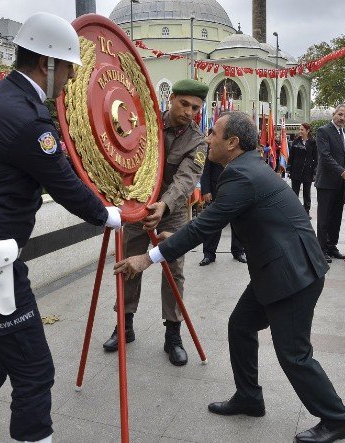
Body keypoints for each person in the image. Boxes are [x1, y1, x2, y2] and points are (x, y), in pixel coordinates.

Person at [0, 13, 122, 443]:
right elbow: (66, 184)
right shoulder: (27, 119)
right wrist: (110, 215)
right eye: (70, 69)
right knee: (35, 371)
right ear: (47, 63)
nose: (72, 81)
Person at [113, 111, 345, 443]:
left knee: (294, 353)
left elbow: (205, 225)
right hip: (278, 269)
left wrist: (146, 258)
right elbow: (209, 221)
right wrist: (176, 239)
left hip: (294, 275)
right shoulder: (246, 168)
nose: (207, 138)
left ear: (233, 142)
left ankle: (337, 418)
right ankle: (249, 398)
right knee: (240, 325)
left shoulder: (242, 174)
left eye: (213, 133)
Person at [101, 79, 208, 367]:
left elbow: (187, 178)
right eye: (184, 103)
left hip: (170, 211)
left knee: (174, 270)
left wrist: (164, 204)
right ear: (171, 98)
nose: (189, 112)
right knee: (128, 265)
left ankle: (173, 334)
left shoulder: (197, 140)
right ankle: (124, 325)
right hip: (138, 206)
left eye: (195, 108)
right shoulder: (144, 123)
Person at [315, 104, 345, 263]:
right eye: (340, 114)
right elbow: (325, 156)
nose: (342, 118)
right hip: (327, 182)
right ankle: (321, 249)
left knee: (336, 217)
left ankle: (331, 246)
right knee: (324, 218)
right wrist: (342, 172)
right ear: (334, 114)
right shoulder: (323, 131)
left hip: (341, 183)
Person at [199, 129, 247, 266]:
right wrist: (206, 190)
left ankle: (238, 251)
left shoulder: (238, 148)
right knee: (213, 223)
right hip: (216, 190)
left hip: (235, 190)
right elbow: (205, 171)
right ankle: (208, 254)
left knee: (238, 222)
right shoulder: (212, 148)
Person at [288, 122, 317, 218]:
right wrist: (289, 169)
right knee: (294, 192)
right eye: (299, 129)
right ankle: (294, 211)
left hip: (307, 172)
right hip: (296, 171)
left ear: (307, 131)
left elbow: (316, 158)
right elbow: (291, 156)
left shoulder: (313, 142)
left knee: (306, 193)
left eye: (302, 129)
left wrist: (314, 171)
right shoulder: (296, 141)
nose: (300, 131)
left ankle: (306, 211)